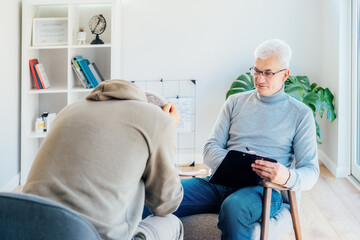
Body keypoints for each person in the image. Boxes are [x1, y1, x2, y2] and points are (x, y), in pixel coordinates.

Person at [173, 39, 320, 239]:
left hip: (263, 191)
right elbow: (210, 149)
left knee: (235, 207)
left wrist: (285, 175)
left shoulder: (300, 114)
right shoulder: (235, 102)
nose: (259, 78)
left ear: (285, 75)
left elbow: (311, 171)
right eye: (256, 70)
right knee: (164, 195)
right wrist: (237, 161)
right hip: (219, 183)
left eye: (268, 73)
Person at [23, 80, 184, 240]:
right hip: (93, 235)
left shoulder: (68, 110)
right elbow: (166, 205)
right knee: (171, 222)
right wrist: (169, 128)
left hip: (27, 227)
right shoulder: (157, 119)